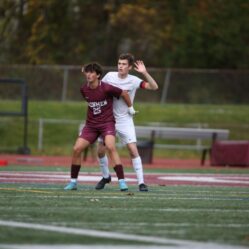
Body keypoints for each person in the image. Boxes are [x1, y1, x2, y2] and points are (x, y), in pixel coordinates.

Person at [64, 62, 136, 191]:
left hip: (107, 124)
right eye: (87, 72)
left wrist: (130, 108)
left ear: (98, 75)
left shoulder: (107, 88)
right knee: (76, 149)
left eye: (92, 72)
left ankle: (122, 181)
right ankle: (73, 182)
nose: (88, 75)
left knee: (110, 147)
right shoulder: (84, 89)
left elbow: (124, 93)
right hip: (91, 125)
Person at [95, 53, 158, 192]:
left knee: (132, 149)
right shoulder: (110, 76)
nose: (120, 66)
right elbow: (99, 90)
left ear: (129, 67)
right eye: (119, 63)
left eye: (124, 64)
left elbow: (154, 87)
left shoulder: (134, 80)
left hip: (124, 120)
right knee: (100, 150)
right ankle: (106, 177)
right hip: (107, 119)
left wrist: (145, 72)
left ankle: (141, 182)